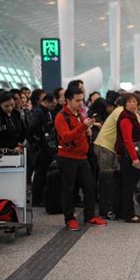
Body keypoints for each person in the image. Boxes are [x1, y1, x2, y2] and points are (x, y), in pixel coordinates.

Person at [54, 86, 107, 231]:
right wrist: (83, 128)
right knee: (68, 189)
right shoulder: (61, 117)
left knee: (90, 186)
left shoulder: (79, 114)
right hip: (67, 157)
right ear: (67, 100)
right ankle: (69, 219)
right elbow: (65, 137)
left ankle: (89, 216)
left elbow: (80, 132)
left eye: (82, 100)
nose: (80, 103)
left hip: (82, 157)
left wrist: (87, 130)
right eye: (77, 100)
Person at [115, 93, 140, 223]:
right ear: (124, 104)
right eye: (129, 102)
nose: (133, 104)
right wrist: (135, 159)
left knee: (127, 185)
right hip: (128, 157)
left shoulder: (131, 116)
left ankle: (124, 212)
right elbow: (128, 140)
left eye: (135, 101)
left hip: (129, 155)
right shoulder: (125, 119)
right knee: (128, 186)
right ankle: (129, 214)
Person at [27, 93, 57, 207]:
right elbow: (31, 129)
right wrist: (36, 143)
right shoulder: (39, 112)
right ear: (47, 102)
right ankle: (37, 200)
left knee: (42, 173)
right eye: (53, 105)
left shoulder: (45, 111)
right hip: (41, 148)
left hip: (45, 146)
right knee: (40, 174)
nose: (53, 107)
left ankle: (40, 199)